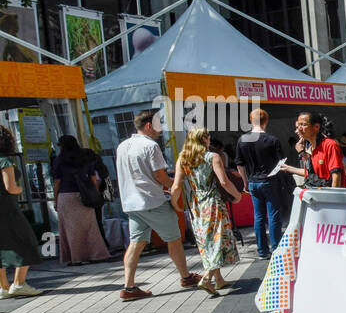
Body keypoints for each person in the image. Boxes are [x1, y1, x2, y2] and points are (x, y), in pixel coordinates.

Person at [115, 110, 199, 300]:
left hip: (132, 203)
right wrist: (176, 186)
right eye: (159, 124)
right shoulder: (150, 146)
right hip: (152, 200)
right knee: (174, 238)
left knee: (136, 243)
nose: (161, 129)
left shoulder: (122, 146)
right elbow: (159, 176)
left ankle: (128, 287)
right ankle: (186, 277)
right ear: (148, 126)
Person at [174, 127, 241, 296]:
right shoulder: (213, 157)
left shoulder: (183, 159)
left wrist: (175, 204)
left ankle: (219, 280)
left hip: (196, 205)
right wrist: (237, 195)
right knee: (217, 240)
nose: (210, 139)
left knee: (207, 242)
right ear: (203, 139)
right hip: (212, 203)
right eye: (208, 136)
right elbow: (224, 182)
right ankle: (207, 278)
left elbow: (176, 186)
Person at [51, 134, 111, 266]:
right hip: (85, 195)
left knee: (70, 229)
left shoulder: (59, 160)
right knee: (90, 226)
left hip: (66, 196)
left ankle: (75, 258)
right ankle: (96, 254)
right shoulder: (84, 158)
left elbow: (57, 182)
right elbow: (93, 178)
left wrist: (55, 200)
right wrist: (94, 193)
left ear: (61, 146)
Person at [236, 108, 288, 259]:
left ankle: (262, 251)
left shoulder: (242, 140)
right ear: (266, 121)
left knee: (258, 216)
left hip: (253, 182)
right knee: (274, 216)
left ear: (251, 121)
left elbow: (240, 164)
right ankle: (276, 248)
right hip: (271, 181)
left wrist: (245, 181)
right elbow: (282, 162)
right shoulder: (272, 140)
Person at [0, 125, 44, 299]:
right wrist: (20, 189)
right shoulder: (4, 161)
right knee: (27, 241)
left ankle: (3, 286)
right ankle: (19, 283)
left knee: (2, 245)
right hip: (7, 208)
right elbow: (10, 187)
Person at [284, 112, 346, 188]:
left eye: (303, 125)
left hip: (329, 196)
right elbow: (309, 174)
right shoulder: (310, 148)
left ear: (316, 127)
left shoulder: (329, 145)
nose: (299, 129)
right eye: (298, 125)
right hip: (317, 195)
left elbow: (336, 176)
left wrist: (332, 198)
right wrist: (287, 168)